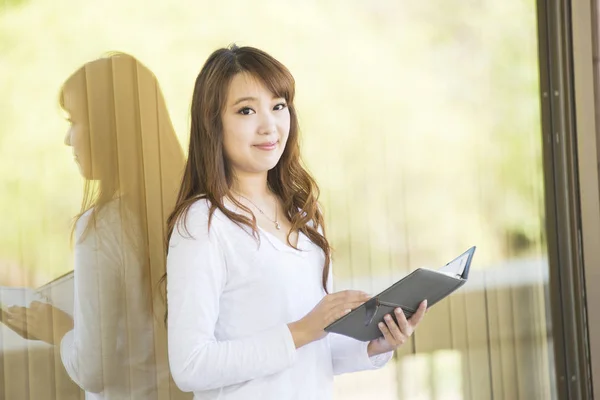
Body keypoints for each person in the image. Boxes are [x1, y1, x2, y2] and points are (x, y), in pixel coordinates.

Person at [165, 44, 428, 400]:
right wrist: (303, 330)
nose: (269, 126)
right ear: (213, 124)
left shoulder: (302, 215)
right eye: (246, 110)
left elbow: (315, 350)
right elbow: (190, 365)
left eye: (278, 107)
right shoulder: (203, 223)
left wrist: (375, 345)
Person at [5, 52, 188, 400]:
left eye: (74, 122)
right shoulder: (197, 210)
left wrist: (58, 330)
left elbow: (94, 371)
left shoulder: (103, 228)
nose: (67, 139)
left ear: (108, 128)